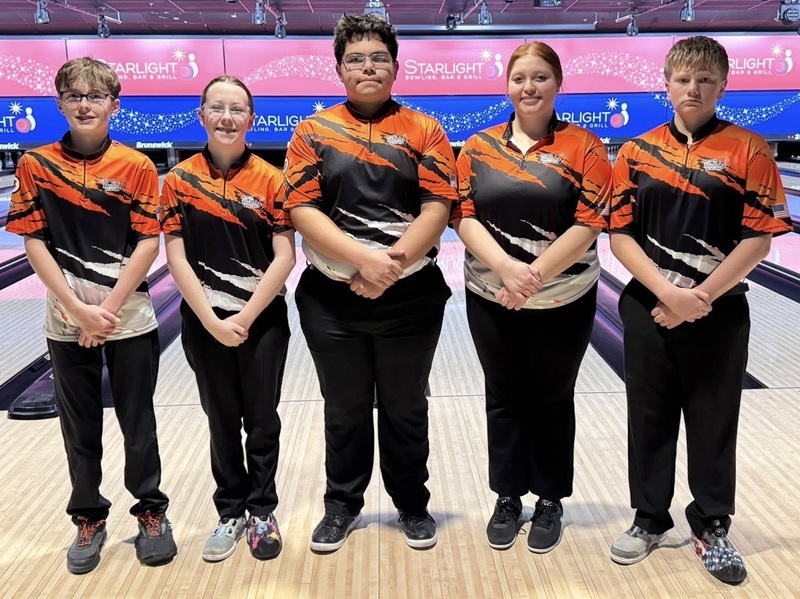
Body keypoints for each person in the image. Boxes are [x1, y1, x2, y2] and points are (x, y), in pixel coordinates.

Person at [608, 36, 793, 584]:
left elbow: (759, 240)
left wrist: (700, 298)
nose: (693, 89)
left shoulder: (750, 150)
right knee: (649, 417)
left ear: (723, 86)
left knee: (714, 420)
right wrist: (670, 297)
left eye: (705, 80)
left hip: (721, 310)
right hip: (649, 306)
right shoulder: (636, 152)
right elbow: (619, 237)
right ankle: (648, 518)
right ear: (666, 85)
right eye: (683, 79)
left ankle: (711, 524)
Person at [283, 13, 457, 552]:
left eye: (378, 57)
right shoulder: (312, 131)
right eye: (356, 58)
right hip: (331, 299)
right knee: (345, 405)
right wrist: (365, 261)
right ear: (339, 69)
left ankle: (411, 505)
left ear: (396, 67)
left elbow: (438, 205)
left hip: (412, 296)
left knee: (407, 405)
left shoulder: (424, 129)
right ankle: (342, 504)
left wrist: (392, 267)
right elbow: (301, 209)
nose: (368, 67)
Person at [6, 57, 177, 574]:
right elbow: (34, 241)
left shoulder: (138, 166)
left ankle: (150, 511)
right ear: (59, 103)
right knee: (79, 427)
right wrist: (78, 310)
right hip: (65, 319)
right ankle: (89, 517)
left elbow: (150, 240)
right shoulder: (36, 164)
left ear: (114, 104)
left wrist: (104, 308)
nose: (85, 104)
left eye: (96, 96)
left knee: (137, 421)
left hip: (128, 317)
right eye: (75, 95)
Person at [451, 42, 611, 554]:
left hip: (565, 296)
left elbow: (590, 222)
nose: (529, 87)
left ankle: (549, 499)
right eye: (520, 77)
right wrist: (505, 271)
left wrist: (533, 275)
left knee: (552, 397)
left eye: (540, 77)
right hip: (490, 293)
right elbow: (464, 216)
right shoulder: (477, 147)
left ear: (557, 83)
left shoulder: (585, 147)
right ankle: (507, 495)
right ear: (507, 85)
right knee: (502, 395)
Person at [160, 75, 295, 562]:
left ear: (251, 119)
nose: (226, 117)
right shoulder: (177, 180)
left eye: (236, 109)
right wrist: (213, 320)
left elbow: (285, 256)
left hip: (262, 321)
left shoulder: (272, 178)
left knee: (261, 421)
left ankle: (262, 510)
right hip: (203, 322)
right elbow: (174, 257)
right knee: (221, 421)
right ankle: (230, 511)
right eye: (216, 108)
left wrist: (245, 314)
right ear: (201, 116)